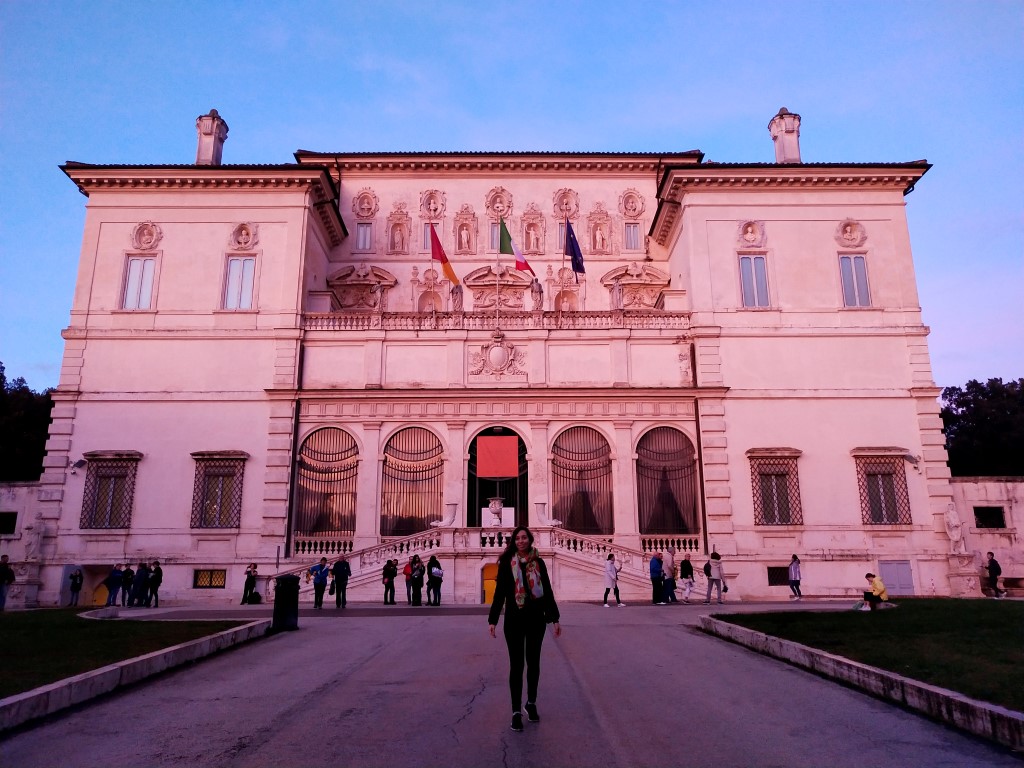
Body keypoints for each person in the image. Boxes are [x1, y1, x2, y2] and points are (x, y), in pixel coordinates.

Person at [488, 526, 561, 733]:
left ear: (530, 540)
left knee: (534, 663)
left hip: (536, 619)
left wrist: (554, 618)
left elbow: (546, 590)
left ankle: (531, 702)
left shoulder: (538, 562)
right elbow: (500, 593)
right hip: (513, 619)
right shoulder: (506, 563)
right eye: (517, 538)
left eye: (524, 538)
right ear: (513, 541)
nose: (520, 541)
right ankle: (515, 711)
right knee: (517, 665)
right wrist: (492, 619)